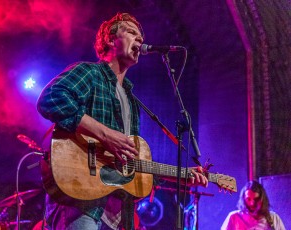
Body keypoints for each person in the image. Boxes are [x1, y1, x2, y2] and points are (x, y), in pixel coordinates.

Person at [37, 12, 208, 230]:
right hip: (81, 203)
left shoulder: (131, 99)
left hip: (119, 215)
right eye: (131, 33)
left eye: (141, 37)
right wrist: (105, 135)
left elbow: (130, 166)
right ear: (110, 40)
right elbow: (51, 98)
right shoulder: (90, 73)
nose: (140, 40)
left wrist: (181, 177)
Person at [221, 180, 286, 230]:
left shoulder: (273, 218)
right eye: (248, 199)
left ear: (262, 199)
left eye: (256, 199)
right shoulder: (234, 217)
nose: (252, 203)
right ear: (243, 199)